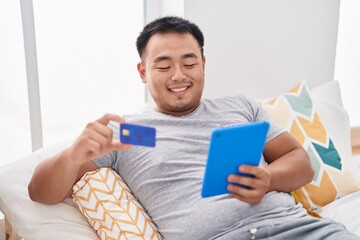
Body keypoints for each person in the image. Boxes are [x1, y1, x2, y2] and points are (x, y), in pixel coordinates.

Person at [28, 16, 360, 240]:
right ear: (143, 72)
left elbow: (300, 162)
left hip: (299, 229)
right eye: (163, 65)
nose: (178, 76)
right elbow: (40, 192)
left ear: (204, 63)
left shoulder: (240, 106)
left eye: (189, 62)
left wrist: (270, 178)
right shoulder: (129, 132)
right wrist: (72, 156)